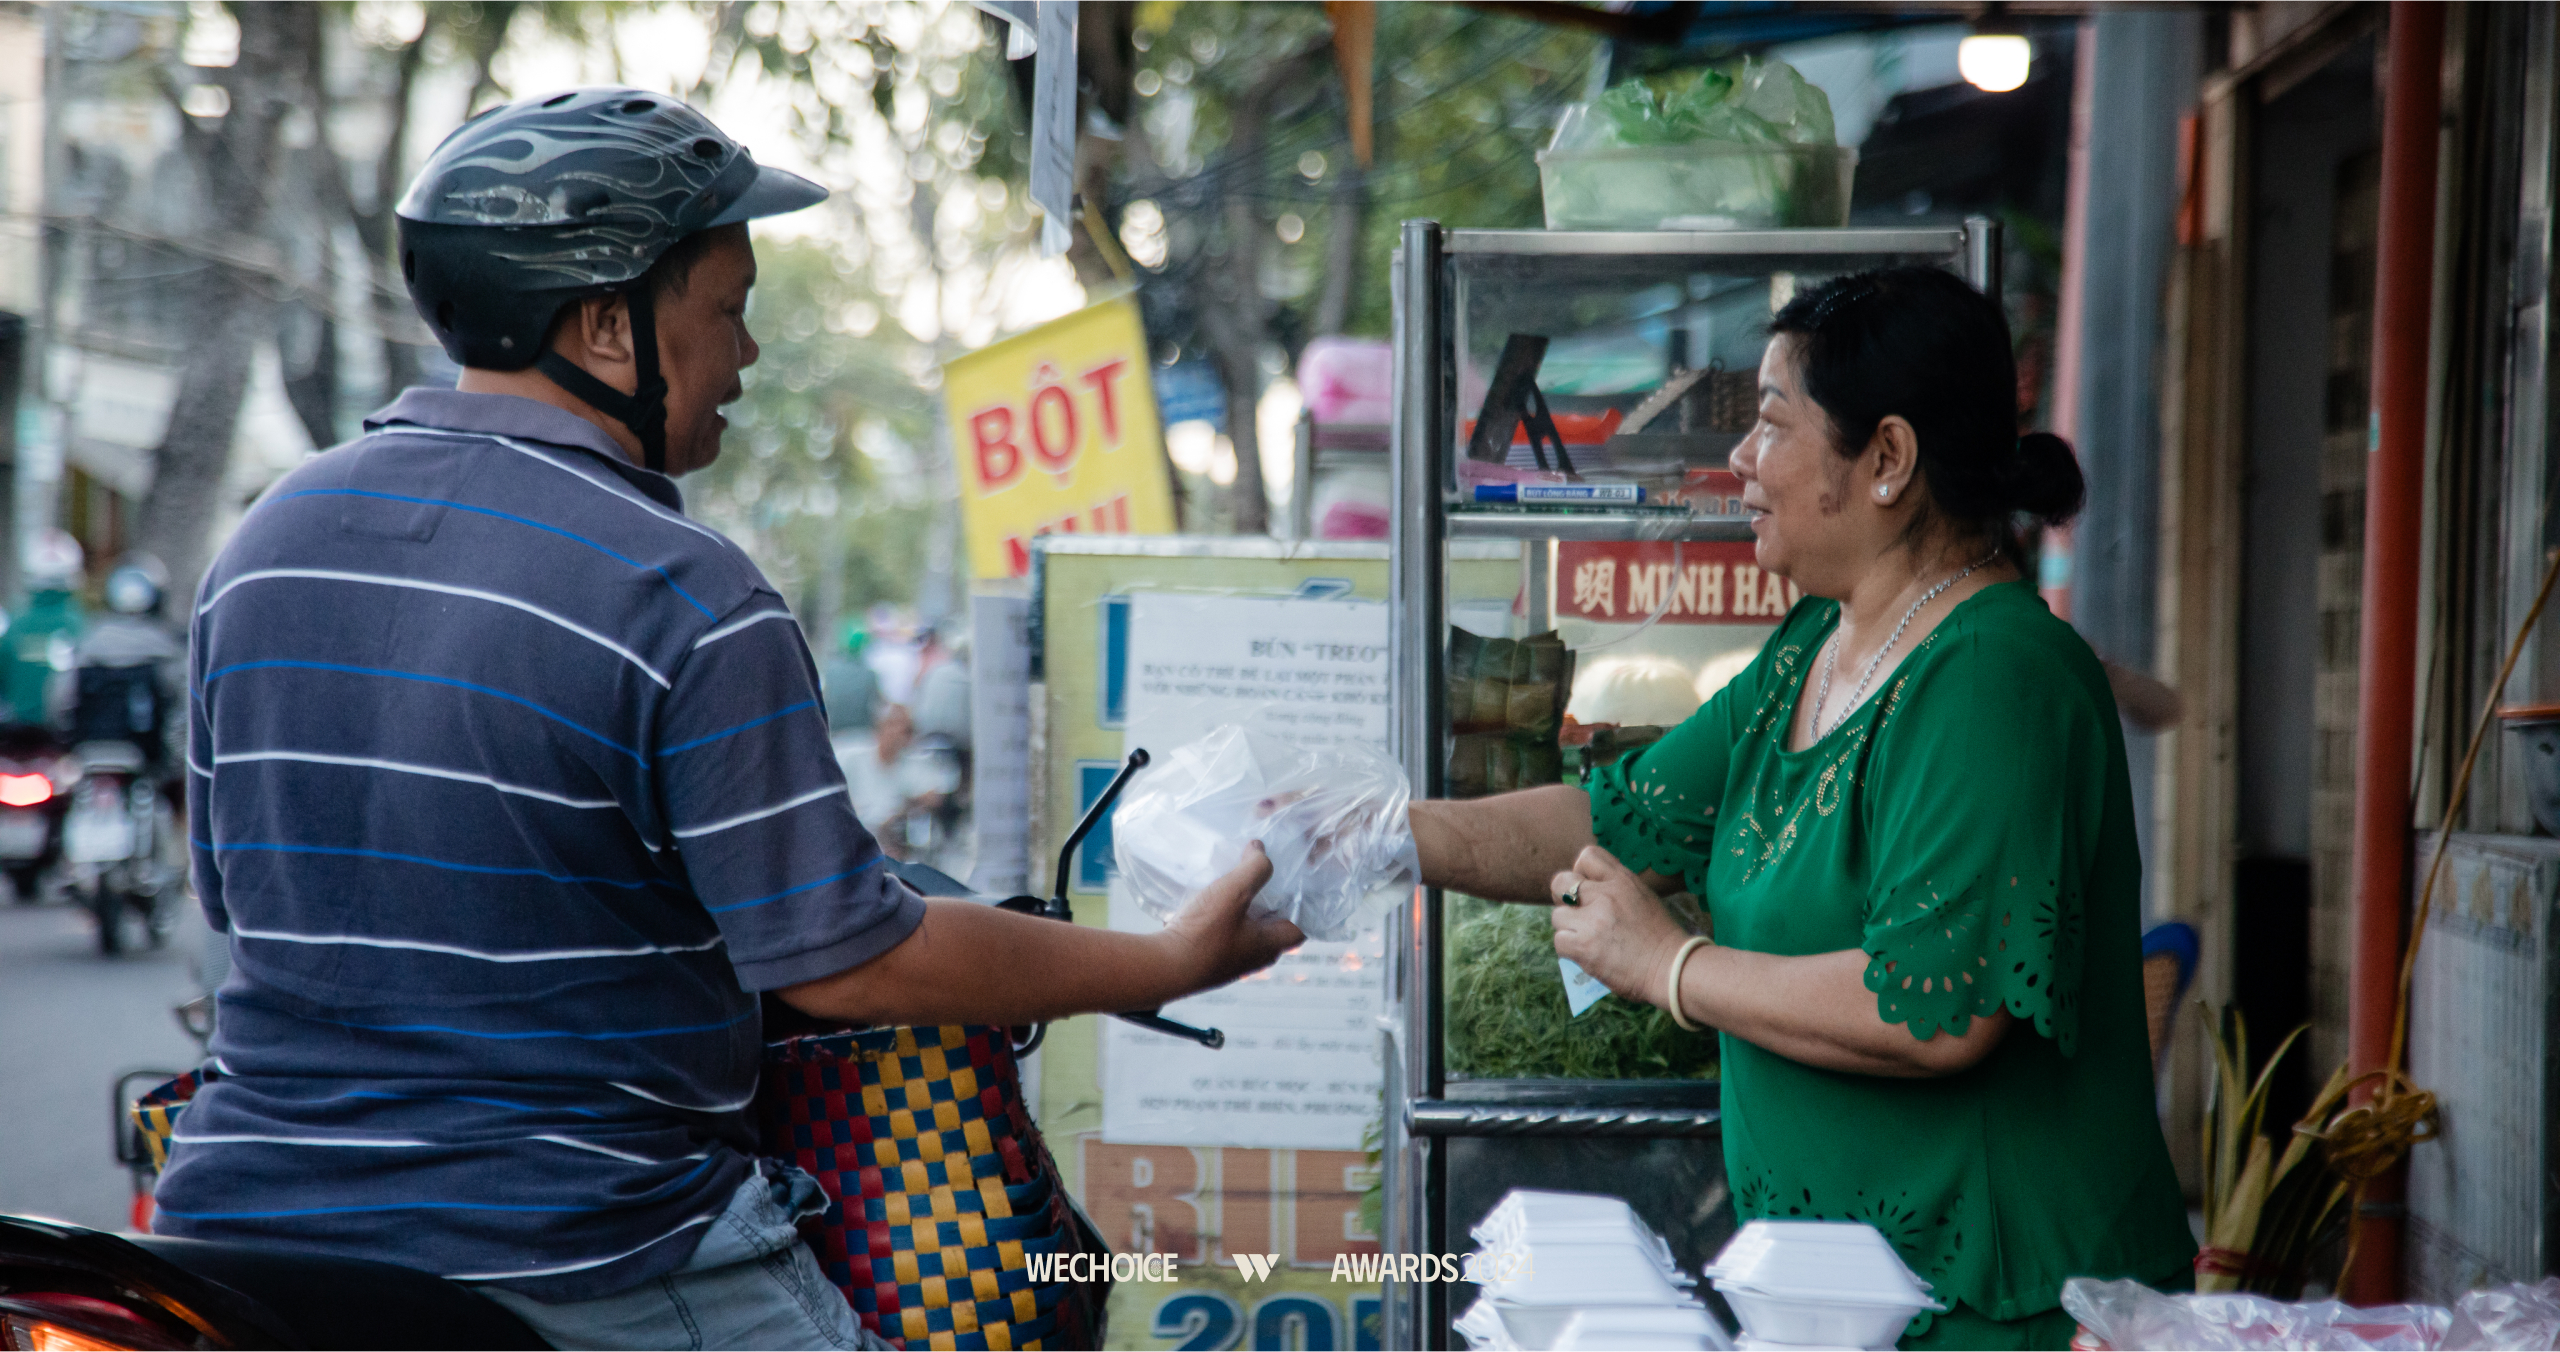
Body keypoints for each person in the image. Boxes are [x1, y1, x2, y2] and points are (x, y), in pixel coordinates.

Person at [153, 88, 1302, 1352]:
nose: (745, 355)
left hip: (234, 1237)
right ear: (605, 324)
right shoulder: (682, 590)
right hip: (587, 1249)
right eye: (729, 308)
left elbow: (244, 897)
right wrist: (1166, 958)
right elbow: (853, 958)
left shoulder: (263, 544)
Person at [1409, 268, 2195, 1350]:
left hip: (1996, 1305)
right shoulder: (1810, 650)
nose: (1739, 459)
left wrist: (1669, 966)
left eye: (1771, 423)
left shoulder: (1994, 676)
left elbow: (1936, 1007)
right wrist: (1376, 834)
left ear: (1886, 459)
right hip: (1845, 1296)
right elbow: (1618, 819)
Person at [66, 555, 182, 770]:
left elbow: (61, 699)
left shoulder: (89, 640)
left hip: (87, 752)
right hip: (150, 758)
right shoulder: (167, 645)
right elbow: (181, 706)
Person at [819, 622, 878, 734]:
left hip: (833, 732)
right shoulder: (869, 674)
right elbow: (876, 705)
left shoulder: (829, 670)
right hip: (862, 733)